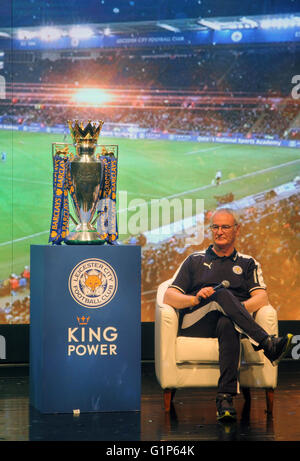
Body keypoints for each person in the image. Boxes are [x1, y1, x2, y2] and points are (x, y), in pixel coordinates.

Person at [163, 207, 293, 421]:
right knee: (219, 293)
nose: (219, 231)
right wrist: (195, 299)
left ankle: (225, 399)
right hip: (197, 323)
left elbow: (261, 299)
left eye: (225, 227)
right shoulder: (194, 260)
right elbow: (169, 297)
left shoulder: (248, 262)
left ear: (237, 230)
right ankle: (266, 343)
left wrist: (234, 311)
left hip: (229, 324)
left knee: (227, 322)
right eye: (215, 227)